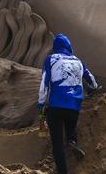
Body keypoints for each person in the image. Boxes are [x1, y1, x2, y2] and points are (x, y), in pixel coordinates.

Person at [37, 34, 98, 174]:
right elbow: (93, 81)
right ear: (69, 46)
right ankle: (72, 141)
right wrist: (93, 89)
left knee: (57, 145)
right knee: (70, 128)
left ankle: (63, 171)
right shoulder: (78, 61)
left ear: (55, 47)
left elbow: (43, 85)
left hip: (56, 106)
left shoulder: (50, 59)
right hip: (74, 107)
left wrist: (41, 105)